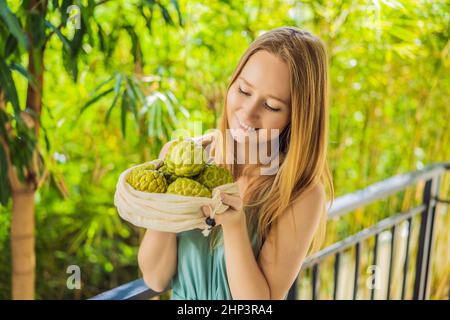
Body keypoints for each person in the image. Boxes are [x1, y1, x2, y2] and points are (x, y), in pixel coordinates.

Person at [137, 26, 334, 300]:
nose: (248, 113)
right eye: (243, 90)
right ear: (232, 82)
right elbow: (156, 278)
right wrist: (167, 201)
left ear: (297, 118)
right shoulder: (186, 158)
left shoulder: (301, 193)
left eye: (272, 106)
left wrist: (234, 226)